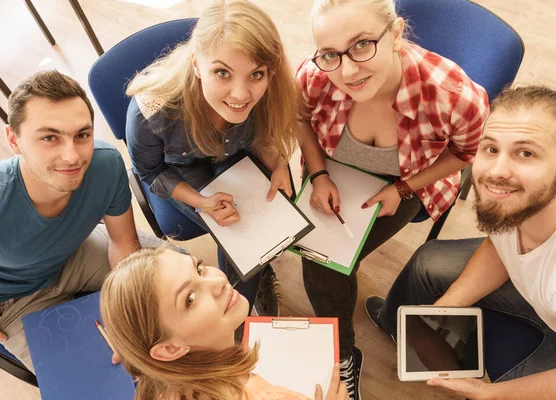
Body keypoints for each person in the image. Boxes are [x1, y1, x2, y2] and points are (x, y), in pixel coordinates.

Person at [295, 0, 489, 396]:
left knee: (325, 267)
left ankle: (342, 356)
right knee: (320, 258)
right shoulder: (314, 76)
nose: (347, 71)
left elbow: (465, 154)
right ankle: (341, 350)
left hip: (409, 179)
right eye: (331, 54)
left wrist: (403, 188)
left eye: (363, 44)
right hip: (329, 171)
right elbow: (298, 119)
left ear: (397, 32)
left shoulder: (455, 96)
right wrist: (317, 174)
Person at [0, 70, 162, 373]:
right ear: (14, 140)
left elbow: (123, 244)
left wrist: (131, 317)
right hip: (7, 301)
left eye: (82, 135)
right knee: (95, 383)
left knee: (177, 275)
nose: (72, 156)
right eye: (50, 138)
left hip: (72, 253)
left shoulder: (104, 164)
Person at [366, 85, 556, 399]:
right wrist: (441, 313)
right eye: (491, 148)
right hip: (540, 295)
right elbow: (500, 246)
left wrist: (491, 394)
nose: (497, 171)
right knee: (428, 262)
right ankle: (395, 324)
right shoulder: (516, 203)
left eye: (526, 153)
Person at [125, 0, 300, 315]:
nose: (240, 94)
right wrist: (200, 202)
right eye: (222, 73)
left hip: (238, 153)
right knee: (240, 236)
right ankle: (240, 308)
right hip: (180, 168)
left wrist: (280, 164)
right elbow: (151, 173)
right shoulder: (150, 111)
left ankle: (251, 280)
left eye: (256, 75)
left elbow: (264, 134)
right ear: (196, 64)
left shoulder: (270, 90)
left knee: (266, 225)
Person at [100, 246, 349, 400]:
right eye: (190, 298)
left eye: (198, 268)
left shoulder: (159, 377)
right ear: (170, 349)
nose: (218, 282)